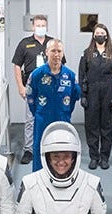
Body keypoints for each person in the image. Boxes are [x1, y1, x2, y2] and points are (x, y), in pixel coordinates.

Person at [26, 39, 81, 172]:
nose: (56, 54)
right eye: (53, 51)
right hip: (42, 119)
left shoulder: (70, 76)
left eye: (59, 51)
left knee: (62, 149)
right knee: (40, 148)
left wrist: (66, 112)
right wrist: (39, 113)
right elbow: (30, 97)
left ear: (63, 53)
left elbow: (74, 97)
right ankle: (39, 176)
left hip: (63, 119)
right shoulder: (37, 74)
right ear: (46, 52)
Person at [11, 14, 56, 165]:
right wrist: (20, 87)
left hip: (50, 87)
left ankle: (48, 147)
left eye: (43, 25)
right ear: (33, 27)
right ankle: (29, 150)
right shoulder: (25, 44)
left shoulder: (52, 43)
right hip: (32, 87)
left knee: (49, 117)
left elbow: (60, 63)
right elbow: (17, 65)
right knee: (31, 119)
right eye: (38, 25)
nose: (41, 28)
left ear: (47, 26)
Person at [79, 24, 112, 170]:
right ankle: (94, 157)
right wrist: (82, 95)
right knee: (91, 127)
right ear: (93, 36)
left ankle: (104, 158)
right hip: (91, 94)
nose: (100, 35)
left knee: (107, 127)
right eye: (97, 33)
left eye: (102, 33)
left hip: (108, 94)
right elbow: (81, 76)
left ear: (107, 35)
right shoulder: (87, 54)